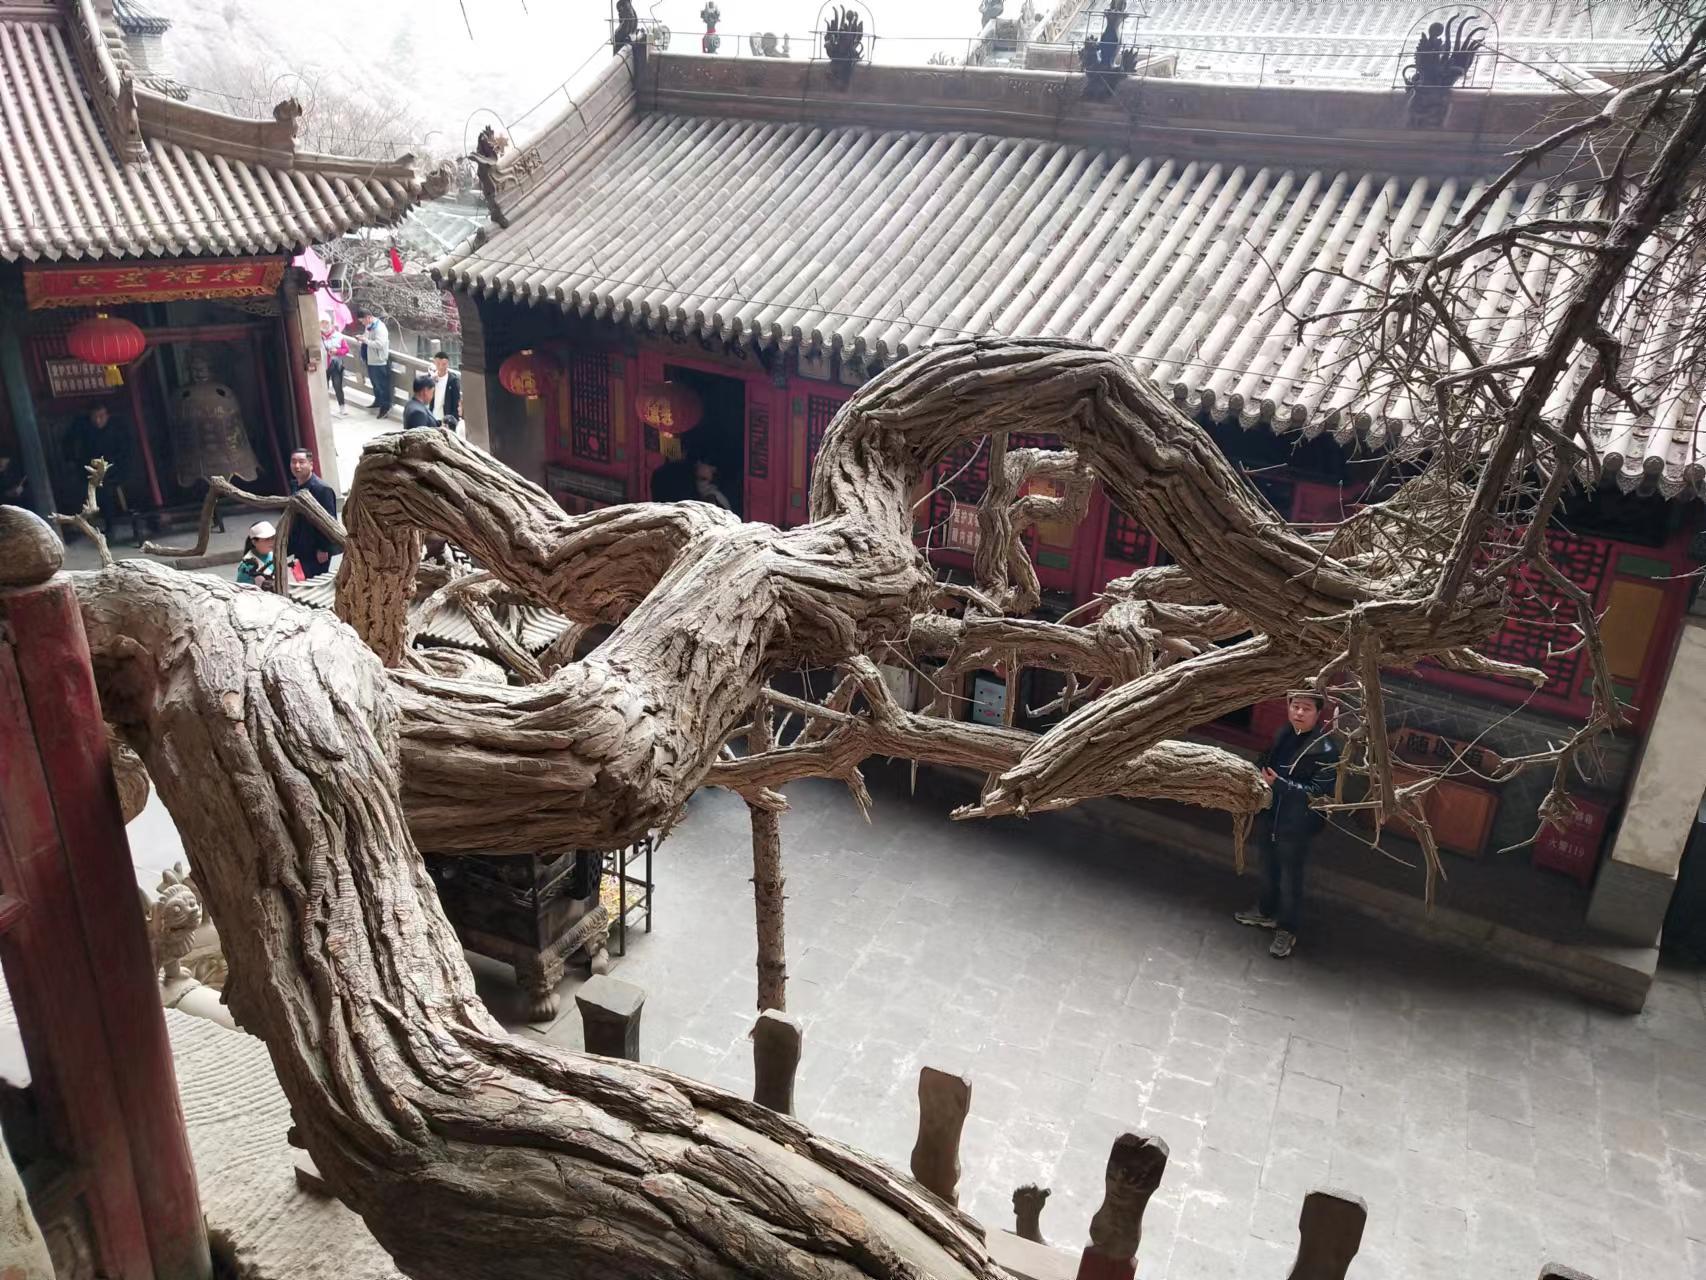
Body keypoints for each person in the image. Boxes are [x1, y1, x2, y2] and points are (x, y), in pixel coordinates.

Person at [1235, 689, 1340, 958]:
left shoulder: (1326, 750)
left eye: (1307, 708)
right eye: (1295, 706)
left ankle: (1287, 929)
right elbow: (1267, 761)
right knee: (1267, 867)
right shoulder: (1284, 732)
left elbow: (1318, 793)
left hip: (1297, 824)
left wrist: (1279, 784)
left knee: (1290, 878)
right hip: (1272, 814)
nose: (1299, 712)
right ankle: (1265, 912)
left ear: (1318, 713)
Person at [62, 404, 133, 535]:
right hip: (89, 469)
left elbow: (124, 452)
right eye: (95, 417)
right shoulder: (84, 429)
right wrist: (75, 462)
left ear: (107, 416)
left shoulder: (116, 429)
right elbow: (69, 444)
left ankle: (110, 525)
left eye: (101, 416)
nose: (98, 420)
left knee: (104, 489)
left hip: (113, 469)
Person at [287, 449, 339, 579]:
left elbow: (330, 522)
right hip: (300, 545)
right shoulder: (295, 485)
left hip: (316, 548)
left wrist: (323, 548)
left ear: (311, 465)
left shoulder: (322, 489)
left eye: (301, 462)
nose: (297, 466)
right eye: (293, 462)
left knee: (314, 582)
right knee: (301, 579)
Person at [236, 519, 300, 591]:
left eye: (273, 538)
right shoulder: (247, 564)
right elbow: (242, 590)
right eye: (267, 539)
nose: (272, 541)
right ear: (254, 542)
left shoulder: (273, 554)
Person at [356, 307, 392, 418]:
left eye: (363, 321)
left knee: (382, 385)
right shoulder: (369, 326)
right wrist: (362, 338)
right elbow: (367, 337)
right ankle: (378, 401)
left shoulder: (380, 327)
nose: (362, 323)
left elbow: (380, 344)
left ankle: (385, 408)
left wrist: (365, 340)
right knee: (375, 384)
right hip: (370, 359)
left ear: (368, 317)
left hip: (379, 361)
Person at [321, 318, 350, 415]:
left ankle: (342, 407)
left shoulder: (338, 336)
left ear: (331, 324)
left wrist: (337, 351)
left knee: (337, 386)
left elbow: (346, 349)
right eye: (322, 323)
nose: (324, 325)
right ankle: (325, 408)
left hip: (336, 364)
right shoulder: (318, 337)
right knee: (323, 387)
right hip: (323, 365)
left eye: (326, 323)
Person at [430, 352, 461, 433]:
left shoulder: (453, 380)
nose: (441, 367)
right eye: (438, 364)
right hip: (432, 417)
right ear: (434, 363)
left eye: (444, 364)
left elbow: (456, 402)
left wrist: (453, 421)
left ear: (448, 364)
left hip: (446, 420)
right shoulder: (431, 378)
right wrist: (431, 382)